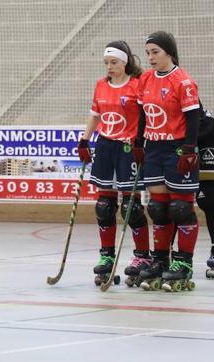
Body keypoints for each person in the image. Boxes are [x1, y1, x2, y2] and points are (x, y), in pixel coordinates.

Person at [76, 41, 150, 287]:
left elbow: (146, 115)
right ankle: (107, 256)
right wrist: (85, 140)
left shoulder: (137, 84)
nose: (109, 67)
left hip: (128, 147)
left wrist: (141, 142)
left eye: (114, 63)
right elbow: (95, 114)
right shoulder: (101, 84)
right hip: (106, 145)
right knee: (104, 205)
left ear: (125, 62)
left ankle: (142, 258)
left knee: (132, 207)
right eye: (106, 63)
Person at [135, 31, 200, 291]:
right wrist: (139, 141)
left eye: (155, 52)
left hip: (177, 147)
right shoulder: (145, 79)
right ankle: (160, 260)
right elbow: (142, 113)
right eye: (148, 52)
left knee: (181, 209)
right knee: (158, 209)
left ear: (169, 53)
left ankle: (183, 262)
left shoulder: (182, 81)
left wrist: (189, 149)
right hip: (153, 148)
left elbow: (194, 118)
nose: (150, 58)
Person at [196, 106, 214, 278]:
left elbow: (206, 122)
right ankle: (166, 254)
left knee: (207, 198)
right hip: (175, 142)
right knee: (175, 203)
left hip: (204, 140)